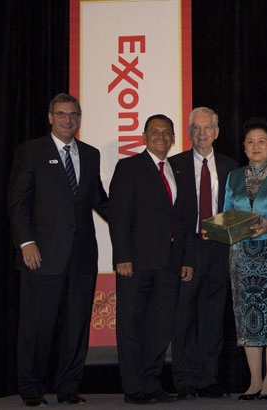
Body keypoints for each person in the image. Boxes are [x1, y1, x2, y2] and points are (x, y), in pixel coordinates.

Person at [8, 93, 108, 406]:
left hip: (81, 258)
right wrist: (26, 242)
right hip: (42, 255)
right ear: (50, 117)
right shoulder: (32, 150)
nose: (68, 120)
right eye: (62, 114)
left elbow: (100, 201)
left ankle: (68, 387)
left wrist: (141, 220)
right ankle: (32, 387)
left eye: (73, 114)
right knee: (37, 325)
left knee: (76, 326)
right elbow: (18, 201)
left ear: (80, 118)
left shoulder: (91, 155)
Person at [108, 114, 196, 405]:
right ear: (144, 137)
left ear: (173, 137)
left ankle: (152, 383)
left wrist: (184, 259)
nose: (161, 136)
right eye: (155, 132)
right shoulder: (129, 167)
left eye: (167, 132)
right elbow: (119, 216)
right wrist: (122, 256)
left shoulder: (178, 170)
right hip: (135, 262)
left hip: (169, 264)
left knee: (160, 327)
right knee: (132, 325)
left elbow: (183, 220)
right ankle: (133, 388)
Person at [223, 118, 267, 401]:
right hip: (241, 254)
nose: (255, 146)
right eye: (250, 142)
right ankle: (254, 381)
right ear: (243, 146)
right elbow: (228, 213)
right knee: (247, 315)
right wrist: (215, 229)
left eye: (261, 141)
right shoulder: (234, 175)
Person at [170, 107, 237, 399]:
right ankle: (184, 378)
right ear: (188, 133)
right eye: (196, 128)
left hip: (220, 249)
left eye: (207, 127)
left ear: (217, 132)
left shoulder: (231, 167)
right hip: (188, 249)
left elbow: (236, 211)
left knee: (212, 317)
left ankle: (207, 378)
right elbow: (171, 214)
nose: (201, 133)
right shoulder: (174, 165)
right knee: (183, 316)